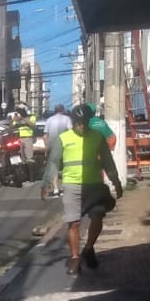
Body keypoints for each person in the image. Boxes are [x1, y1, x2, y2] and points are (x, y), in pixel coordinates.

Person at [42, 101, 123, 276]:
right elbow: (54, 162)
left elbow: (108, 161)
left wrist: (116, 181)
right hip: (72, 185)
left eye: (84, 122)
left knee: (98, 216)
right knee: (74, 222)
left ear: (89, 121)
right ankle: (74, 257)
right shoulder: (64, 138)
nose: (81, 126)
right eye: (78, 123)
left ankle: (88, 248)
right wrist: (46, 183)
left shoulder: (97, 137)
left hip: (94, 184)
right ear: (73, 122)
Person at [43, 103, 72, 198]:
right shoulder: (67, 119)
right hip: (65, 145)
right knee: (65, 167)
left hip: (53, 146)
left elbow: (45, 136)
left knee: (54, 168)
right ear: (63, 110)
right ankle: (63, 189)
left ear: (55, 110)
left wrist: (46, 148)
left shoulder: (49, 120)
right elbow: (71, 131)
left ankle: (55, 190)